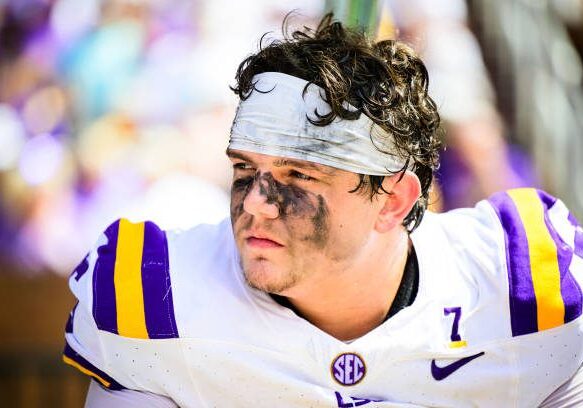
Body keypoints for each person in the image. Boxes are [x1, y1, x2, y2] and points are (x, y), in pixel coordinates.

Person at [63, 14, 583, 407]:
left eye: (299, 176)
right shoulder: (161, 298)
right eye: (245, 171)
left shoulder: (520, 289)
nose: (256, 206)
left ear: (395, 200)